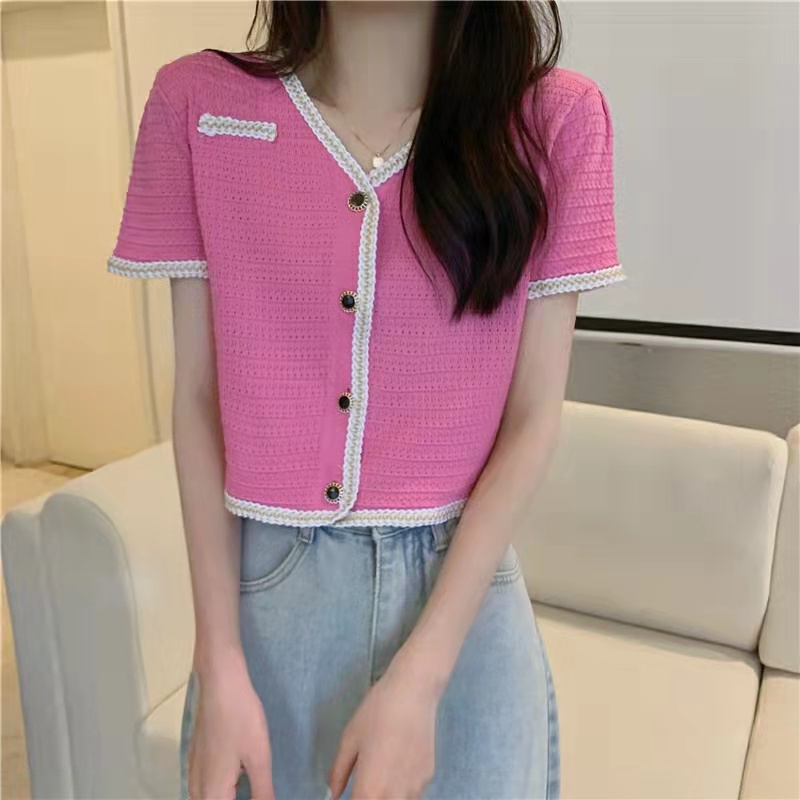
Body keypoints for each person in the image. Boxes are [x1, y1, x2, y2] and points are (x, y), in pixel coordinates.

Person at [107, 1, 626, 798]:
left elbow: (533, 421)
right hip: (267, 607)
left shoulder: (555, 121)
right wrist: (219, 660)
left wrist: (424, 676)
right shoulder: (196, 106)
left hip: (463, 616)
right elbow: (198, 400)